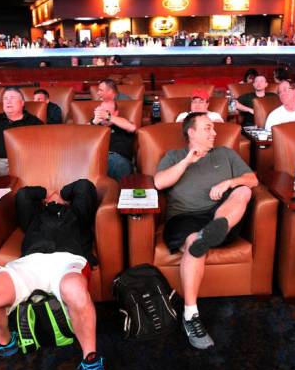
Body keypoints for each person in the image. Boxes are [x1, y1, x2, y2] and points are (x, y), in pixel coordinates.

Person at [0, 179, 112, 370]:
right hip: (30, 263)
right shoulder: (34, 216)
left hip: (67, 260)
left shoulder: (78, 214)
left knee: (76, 291)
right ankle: (4, 341)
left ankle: (91, 361)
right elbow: (24, 195)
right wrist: (45, 194)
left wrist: (62, 194)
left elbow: (84, 186)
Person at [154, 113, 258, 349]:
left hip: (223, 215)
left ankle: (212, 230)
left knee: (243, 192)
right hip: (185, 218)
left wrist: (229, 183)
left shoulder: (226, 153)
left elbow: (252, 179)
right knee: (194, 242)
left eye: (214, 129)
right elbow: (159, 183)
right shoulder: (174, 156)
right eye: (208, 128)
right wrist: (187, 162)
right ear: (191, 132)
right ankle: (191, 314)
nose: (214, 133)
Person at [91, 101, 136, 181]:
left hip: (118, 159)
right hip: (95, 159)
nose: (103, 115)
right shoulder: (93, 124)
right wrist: (94, 122)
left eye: (107, 112)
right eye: (101, 111)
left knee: (119, 164)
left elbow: (132, 128)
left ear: (116, 113)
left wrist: (108, 116)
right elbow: (80, 137)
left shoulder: (122, 123)